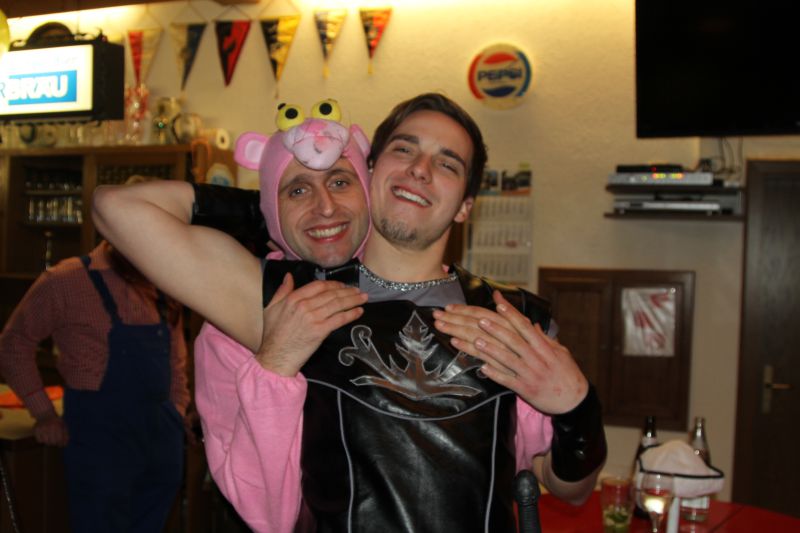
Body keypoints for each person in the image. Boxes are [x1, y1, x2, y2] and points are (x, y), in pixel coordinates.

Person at [92, 94, 606, 532]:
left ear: (466, 205)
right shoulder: (287, 300)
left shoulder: (509, 318)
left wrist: (578, 410)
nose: (420, 170)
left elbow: (569, 488)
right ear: (370, 170)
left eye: (447, 164)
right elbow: (116, 208)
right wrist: (269, 204)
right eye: (404, 150)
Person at [0, 176, 190, 532]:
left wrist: (176, 412)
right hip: (102, 437)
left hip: (161, 436)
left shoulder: (167, 280)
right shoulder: (66, 280)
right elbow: (13, 345)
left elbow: (176, 360)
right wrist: (44, 414)